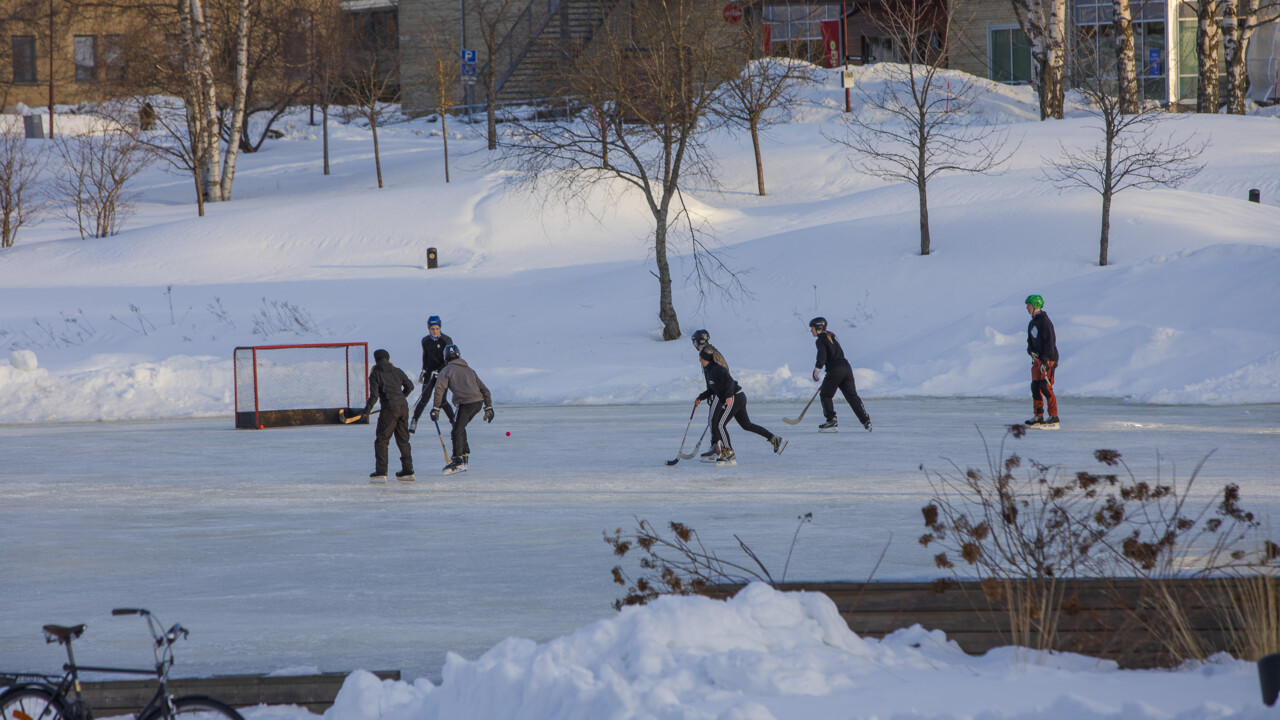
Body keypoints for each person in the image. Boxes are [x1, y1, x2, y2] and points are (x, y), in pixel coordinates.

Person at [695, 347, 786, 464]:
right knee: (746, 425)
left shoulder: (717, 369)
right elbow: (713, 389)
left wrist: (728, 396)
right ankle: (775, 439)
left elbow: (730, 382)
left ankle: (729, 452)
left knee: (719, 424)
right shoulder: (708, 371)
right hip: (738, 397)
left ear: (705, 358)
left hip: (735, 397)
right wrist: (700, 397)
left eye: (700, 357)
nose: (699, 360)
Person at [431, 344, 494, 474]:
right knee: (460, 427)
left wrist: (436, 408)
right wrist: (488, 407)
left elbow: (439, 389)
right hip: (477, 403)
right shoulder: (469, 370)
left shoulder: (446, 370)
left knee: (456, 430)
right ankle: (464, 457)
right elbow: (485, 390)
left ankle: (457, 460)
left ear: (446, 357)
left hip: (465, 404)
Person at [809, 317, 871, 432]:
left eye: (812, 328)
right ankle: (866, 420)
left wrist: (817, 370)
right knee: (852, 396)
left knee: (825, 395)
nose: (811, 330)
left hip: (835, 370)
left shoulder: (820, 340)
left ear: (819, 328)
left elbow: (822, 355)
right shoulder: (831, 336)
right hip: (846, 368)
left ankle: (831, 420)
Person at [361, 348, 415, 481]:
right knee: (403, 440)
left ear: (376, 359)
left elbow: (374, 396)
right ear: (388, 358)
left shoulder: (375, 374)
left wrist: (366, 411)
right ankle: (408, 470)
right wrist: (401, 397)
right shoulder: (397, 370)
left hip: (389, 409)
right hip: (403, 407)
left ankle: (381, 472)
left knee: (382, 440)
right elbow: (410, 386)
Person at [410, 315, 454, 433]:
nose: (435, 331)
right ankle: (414, 420)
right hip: (430, 373)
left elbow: (449, 359)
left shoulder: (446, 340)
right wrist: (424, 370)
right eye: (432, 329)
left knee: (442, 400)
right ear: (428, 328)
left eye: (437, 329)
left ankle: (454, 422)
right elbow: (425, 356)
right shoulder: (425, 341)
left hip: (443, 373)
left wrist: (439, 370)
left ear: (440, 328)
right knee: (424, 398)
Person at [1024, 294, 1059, 426]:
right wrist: (1030, 351)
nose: (1027, 307)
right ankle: (1038, 416)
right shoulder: (1032, 323)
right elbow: (1030, 341)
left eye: (1029, 305)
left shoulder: (1045, 322)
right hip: (1037, 360)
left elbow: (1050, 343)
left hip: (1048, 359)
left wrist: (1045, 360)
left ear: (1036, 306)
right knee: (1035, 387)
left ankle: (1053, 416)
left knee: (1045, 387)